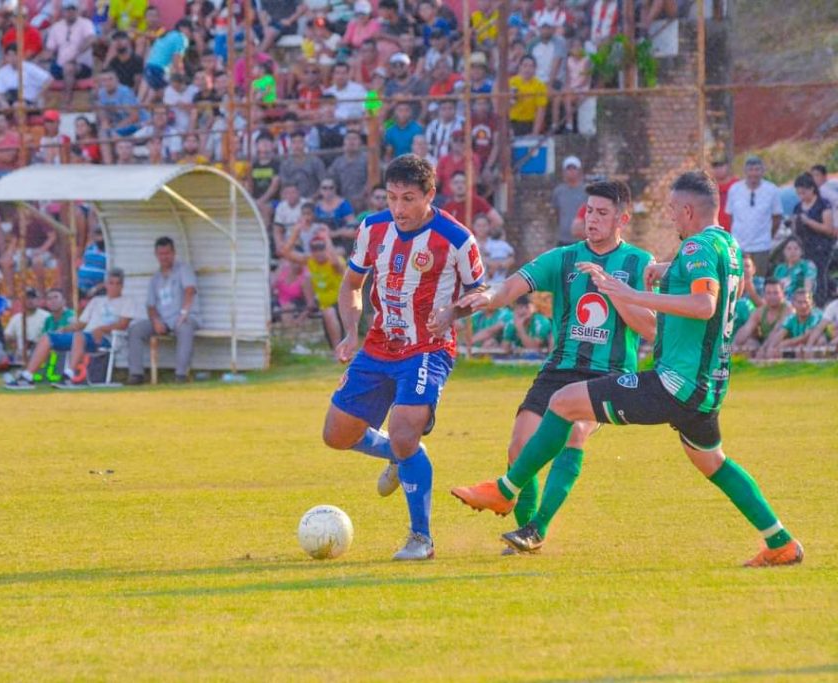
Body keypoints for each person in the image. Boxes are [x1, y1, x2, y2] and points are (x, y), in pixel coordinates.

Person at [450, 171, 803, 567]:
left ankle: (505, 490)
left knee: (564, 403)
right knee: (713, 462)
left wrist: (630, 293)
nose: (670, 215)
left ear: (688, 210)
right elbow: (714, 286)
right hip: (709, 384)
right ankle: (781, 542)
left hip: (674, 381)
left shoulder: (694, 246)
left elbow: (704, 305)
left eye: (673, 209)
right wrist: (668, 270)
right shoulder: (729, 245)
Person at [436, 181, 655, 550]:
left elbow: (651, 328)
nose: (592, 219)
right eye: (589, 211)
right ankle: (524, 533)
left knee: (575, 432)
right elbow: (510, 288)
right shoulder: (563, 258)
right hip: (559, 369)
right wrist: (485, 297)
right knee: (519, 447)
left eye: (602, 213)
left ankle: (537, 528)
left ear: (623, 219)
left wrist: (611, 290)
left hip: (609, 373)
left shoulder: (640, 263)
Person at [320, 154, 487, 561]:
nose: (398, 208)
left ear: (429, 195)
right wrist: (350, 333)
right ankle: (399, 454)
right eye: (392, 197)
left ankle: (420, 540)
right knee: (336, 435)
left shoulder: (457, 238)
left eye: (408, 198)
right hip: (379, 344)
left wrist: (452, 313)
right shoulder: (372, 228)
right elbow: (352, 285)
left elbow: (481, 293)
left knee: (405, 431)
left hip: (428, 347)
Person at [6, 268, 139, 389]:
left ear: (122, 285)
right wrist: (64, 329)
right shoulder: (97, 301)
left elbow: (123, 324)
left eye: (118, 283)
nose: (114, 286)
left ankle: (69, 375)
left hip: (107, 339)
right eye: (111, 283)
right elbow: (81, 324)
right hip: (85, 336)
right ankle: (27, 376)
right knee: (49, 337)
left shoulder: (127, 301)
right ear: (106, 284)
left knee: (79, 335)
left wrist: (101, 329)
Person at [125, 237, 200, 385]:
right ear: (156, 255)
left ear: (174, 253)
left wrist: (184, 313)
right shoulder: (155, 278)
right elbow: (150, 306)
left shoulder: (183, 269)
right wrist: (156, 321)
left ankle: (180, 375)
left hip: (184, 316)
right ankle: (136, 374)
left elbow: (190, 290)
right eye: (161, 254)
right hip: (163, 319)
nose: (164, 257)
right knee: (135, 330)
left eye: (167, 253)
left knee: (184, 328)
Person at [280, 227, 345, 349]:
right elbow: (285, 253)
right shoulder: (311, 261)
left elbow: (336, 264)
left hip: (342, 304)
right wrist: (296, 232)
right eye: (314, 248)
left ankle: (338, 352)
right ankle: (337, 350)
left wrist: (327, 238)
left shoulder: (335, 261)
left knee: (329, 312)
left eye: (321, 247)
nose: (318, 252)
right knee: (327, 312)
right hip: (325, 305)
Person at [725, 156, 782, 276]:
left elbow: (777, 217)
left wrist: (768, 236)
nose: (754, 174)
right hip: (738, 244)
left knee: (759, 280)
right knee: (737, 279)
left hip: (761, 246)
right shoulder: (734, 189)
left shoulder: (772, 190)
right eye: (750, 170)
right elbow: (730, 216)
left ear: (762, 171)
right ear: (745, 171)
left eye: (757, 170)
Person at [791, 172, 835, 305]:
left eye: (803, 193)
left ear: (811, 189)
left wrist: (808, 221)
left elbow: (828, 229)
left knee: (819, 275)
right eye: (799, 193)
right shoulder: (798, 207)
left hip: (821, 246)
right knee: (806, 275)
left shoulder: (823, 205)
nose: (801, 196)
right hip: (804, 246)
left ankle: (820, 302)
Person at [41, 0, 95, 106]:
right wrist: (38, 60)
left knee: (69, 67)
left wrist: (77, 54)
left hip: (81, 65)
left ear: (77, 11)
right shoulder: (56, 27)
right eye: (67, 10)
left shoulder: (85, 23)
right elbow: (50, 49)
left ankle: (67, 101)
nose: (70, 12)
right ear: (63, 11)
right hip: (60, 64)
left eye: (73, 9)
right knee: (38, 67)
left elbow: (91, 39)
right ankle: (38, 103)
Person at [732, 278, 791, 358]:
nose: (772, 296)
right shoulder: (760, 311)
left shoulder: (788, 309)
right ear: (764, 295)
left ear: (782, 294)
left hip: (784, 344)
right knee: (749, 344)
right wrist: (734, 345)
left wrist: (763, 349)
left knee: (773, 349)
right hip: (765, 343)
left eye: (776, 293)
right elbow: (746, 329)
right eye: (768, 293)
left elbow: (776, 332)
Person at [761, 288, 824, 360]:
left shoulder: (816, 315)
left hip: (815, 344)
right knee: (778, 347)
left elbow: (806, 337)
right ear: (793, 304)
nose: (803, 306)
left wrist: (785, 343)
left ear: (812, 304)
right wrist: (771, 347)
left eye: (806, 302)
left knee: (820, 340)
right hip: (799, 345)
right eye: (799, 302)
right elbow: (780, 334)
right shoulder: (791, 318)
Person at [4, 287, 51, 359]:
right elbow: (7, 336)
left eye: (33, 298)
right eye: (27, 298)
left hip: (42, 356)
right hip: (21, 357)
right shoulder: (16, 318)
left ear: (38, 300)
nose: (30, 300)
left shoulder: (47, 317)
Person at [508, 55, 547, 136]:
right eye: (525, 65)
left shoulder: (540, 85)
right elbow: (503, 108)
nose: (527, 69)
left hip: (530, 123)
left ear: (535, 69)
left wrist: (535, 133)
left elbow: (541, 110)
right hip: (512, 123)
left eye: (531, 66)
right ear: (520, 67)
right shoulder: (511, 82)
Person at [552, 156, 586, 246]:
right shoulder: (558, 192)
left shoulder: (586, 191)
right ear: (564, 172)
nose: (571, 171)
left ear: (579, 171)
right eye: (568, 169)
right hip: (563, 239)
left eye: (574, 168)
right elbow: (557, 213)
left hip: (581, 240)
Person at [772, 237, 818, 301]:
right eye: (789, 249)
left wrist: (804, 299)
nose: (792, 252)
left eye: (796, 248)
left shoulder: (807, 265)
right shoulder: (780, 268)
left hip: (801, 301)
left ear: (801, 251)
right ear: (784, 252)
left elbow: (808, 287)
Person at [711, 158, 738, 233]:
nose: (718, 169)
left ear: (728, 166)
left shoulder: (738, 186)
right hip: (715, 232)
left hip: (735, 232)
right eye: (715, 166)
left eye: (721, 165)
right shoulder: (709, 186)